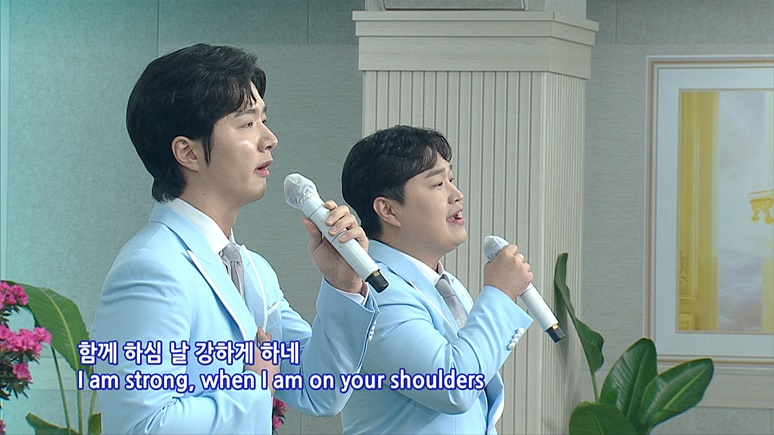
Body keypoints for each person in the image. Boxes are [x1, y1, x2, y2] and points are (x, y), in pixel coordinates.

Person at [91, 43, 378, 434]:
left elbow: (318, 390)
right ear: (187, 152)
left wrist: (344, 285)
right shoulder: (150, 269)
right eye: (247, 124)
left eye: (264, 120)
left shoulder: (254, 270)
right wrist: (252, 385)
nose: (269, 139)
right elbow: (142, 426)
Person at [339, 125, 534, 434]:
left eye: (451, 180)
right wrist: (499, 293)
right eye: (438, 184)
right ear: (388, 210)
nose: (457, 195)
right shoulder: (374, 291)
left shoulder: (447, 285)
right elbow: (452, 386)